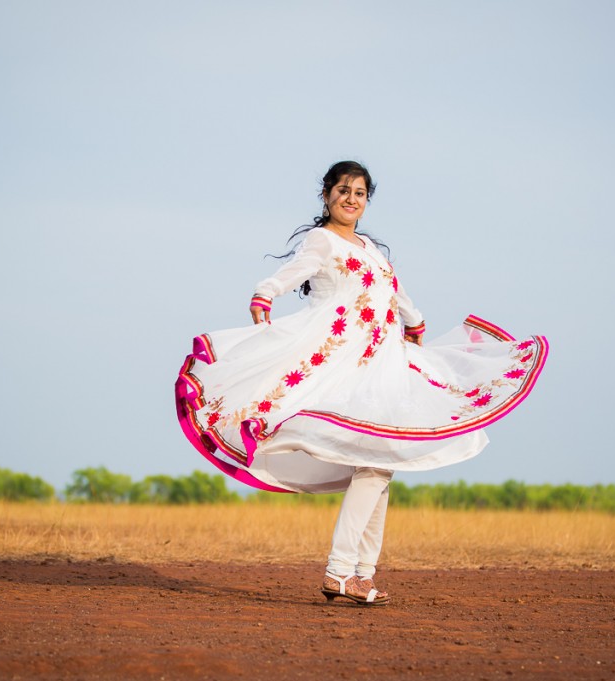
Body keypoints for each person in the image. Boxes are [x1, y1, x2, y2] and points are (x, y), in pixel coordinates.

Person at [175, 160, 548, 605]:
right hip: (344, 364)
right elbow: (290, 273)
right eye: (343, 190)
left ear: (366, 201)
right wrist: (265, 293)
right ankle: (340, 573)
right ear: (327, 195)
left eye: (360, 193)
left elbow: (395, 292)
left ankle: (362, 576)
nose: (351, 199)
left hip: (383, 362)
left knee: (380, 463)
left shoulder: (371, 247)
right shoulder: (322, 240)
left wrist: (414, 323)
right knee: (374, 460)